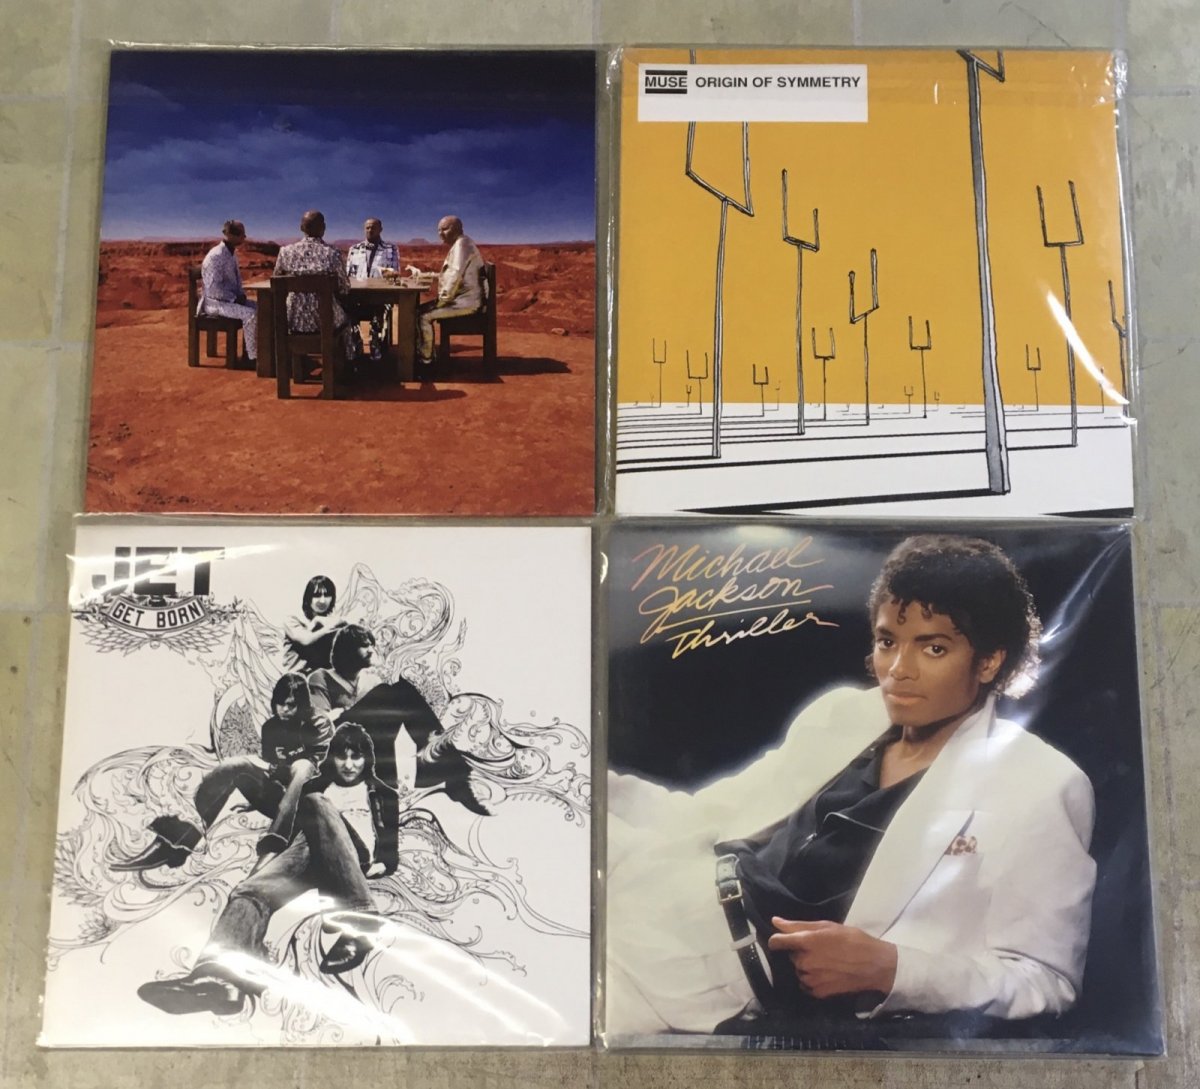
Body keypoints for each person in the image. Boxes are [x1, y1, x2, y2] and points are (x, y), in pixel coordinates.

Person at [606, 535, 1097, 1036]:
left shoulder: (1040, 783)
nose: (898, 671)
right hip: (655, 891)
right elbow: (708, 815)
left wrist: (894, 969)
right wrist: (589, 785)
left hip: (705, 981)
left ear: (989, 661)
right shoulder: (847, 713)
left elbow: (1046, 980)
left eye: (933, 647)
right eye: (888, 642)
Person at [136, 723, 403, 1016]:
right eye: (342, 756)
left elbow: (389, 852)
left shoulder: (382, 793)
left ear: (367, 759)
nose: (349, 765)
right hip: (309, 851)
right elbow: (288, 811)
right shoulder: (316, 785)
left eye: (356, 756)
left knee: (315, 802)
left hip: (349, 858)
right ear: (333, 757)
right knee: (248, 891)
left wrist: (379, 865)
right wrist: (255, 808)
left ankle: (361, 917)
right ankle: (220, 980)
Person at [111, 674, 332, 872]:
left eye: (291, 705)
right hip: (280, 798)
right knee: (233, 765)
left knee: (302, 767)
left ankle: (274, 844)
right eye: (280, 704)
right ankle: (177, 841)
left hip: (308, 805)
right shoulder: (271, 727)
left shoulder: (318, 723)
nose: (284, 710)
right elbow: (272, 770)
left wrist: (287, 768)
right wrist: (256, 796)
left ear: (302, 705)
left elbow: (318, 772)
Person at [273, 209, 352, 362]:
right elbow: (344, 288)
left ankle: (292, 365)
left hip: (292, 320)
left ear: (301, 228)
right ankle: (348, 361)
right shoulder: (333, 253)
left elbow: (277, 280)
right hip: (326, 321)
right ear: (323, 228)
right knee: (347, 319)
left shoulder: (285, 252)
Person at [415, 215, 486, 367]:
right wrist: (426, 275)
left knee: (423, 316)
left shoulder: (462, 245)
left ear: (457, 229)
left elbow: (455, 275)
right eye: (439, 230)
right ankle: (425, 352)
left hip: (466, 302)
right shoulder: (460, 244)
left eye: (445, 229)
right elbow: (449, 274)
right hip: (460, 299)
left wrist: (441, 301)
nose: (440, 233)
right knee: (418, 310)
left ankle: (426, 361)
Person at [198, 219, 257, 369]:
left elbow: (236, 281)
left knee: (260, 308)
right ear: (231, 235)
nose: (244, 237)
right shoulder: (216, 256)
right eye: (241, 234)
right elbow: (213, 289)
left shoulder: (231, 253)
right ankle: (251, 359)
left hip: (228, 301)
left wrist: (240, 295)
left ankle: (253, 351)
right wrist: (234, 298)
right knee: (251, 315)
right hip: (215, 303)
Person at [345, 217, 400, 362]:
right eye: (367, 227)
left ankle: (376, 347)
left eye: (373, 227)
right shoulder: (354, 249)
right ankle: (355, 348)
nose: (370, 230)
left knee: (381, 313)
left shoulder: (391, 249)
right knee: (347, 311)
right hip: (358, 297)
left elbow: (395, 273)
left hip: (381, 297)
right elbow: (347, 276)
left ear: (380, 229)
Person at [282, 574, 346, 673]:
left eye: (327, 595)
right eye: (317, 595)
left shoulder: (333, 621)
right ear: (308, 598)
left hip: (322, 678)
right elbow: (305, 640)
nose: (322, 601)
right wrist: (317, 622)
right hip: (296, 678)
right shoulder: (292, 619)